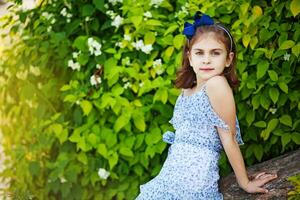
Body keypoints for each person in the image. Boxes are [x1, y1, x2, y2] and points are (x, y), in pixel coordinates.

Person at [135, 12, 277, 199]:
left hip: (192, 184)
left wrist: (245, 182)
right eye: (199, 53)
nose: (206, 60)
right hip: (168, 178)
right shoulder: (187, 91)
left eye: (215, 53)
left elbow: (229, 139)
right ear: (190, 58)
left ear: (228, 59)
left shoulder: (216, 85)